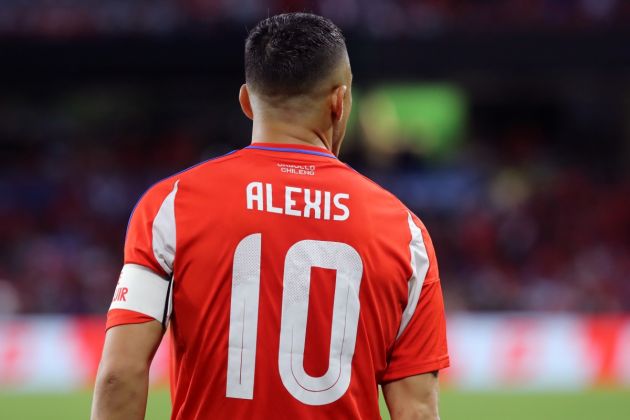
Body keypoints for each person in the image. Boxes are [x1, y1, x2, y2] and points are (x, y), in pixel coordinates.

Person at [91, 12, 449, 420]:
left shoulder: (171, 205)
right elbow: (417, 408)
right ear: (340, 101)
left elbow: (120, 374)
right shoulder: (405, 232)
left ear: (246, 101)